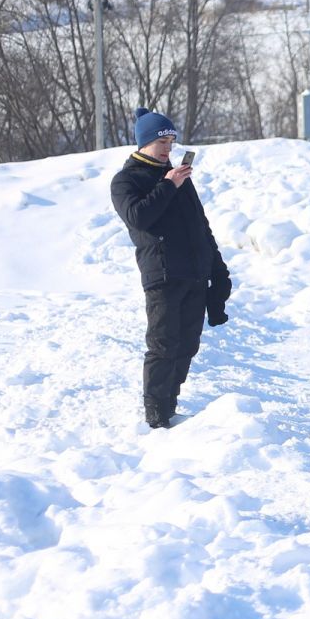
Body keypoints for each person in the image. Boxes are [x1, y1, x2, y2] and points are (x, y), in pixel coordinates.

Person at [109, 107, 232, 429]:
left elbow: (201, 227)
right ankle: (155, 414)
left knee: (188, 344)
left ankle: (170, 406)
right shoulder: (126, 180)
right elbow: (138, 217)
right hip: (162, 274)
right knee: (163, 344)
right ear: (144, 142)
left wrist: (218, 271)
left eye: (171, 140)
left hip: (194, 273)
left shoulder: (180, 178)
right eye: (161, 140)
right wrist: (168, 185)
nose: (168, 147)